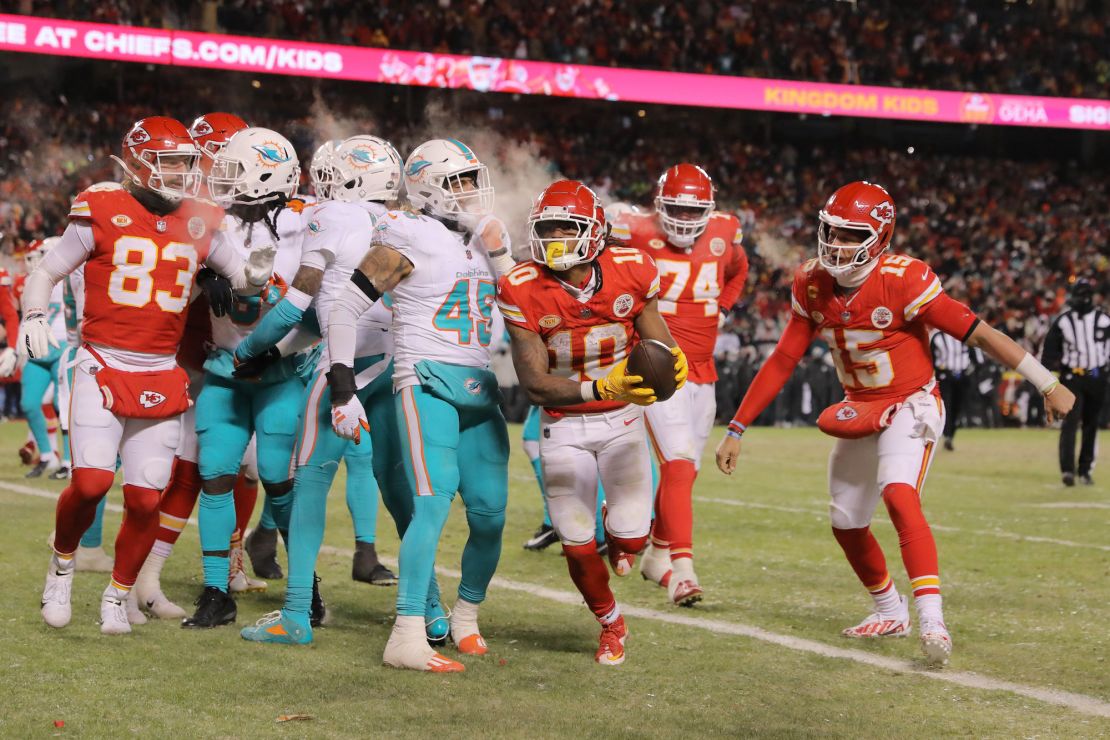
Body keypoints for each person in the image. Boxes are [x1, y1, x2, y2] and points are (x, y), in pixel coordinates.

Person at [715, 181, 1074, 667]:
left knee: (898, 493)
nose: (837, 244)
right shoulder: (812, 281)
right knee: (845, 520)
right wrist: (736, 428)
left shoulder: (904, 279)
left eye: (850, 234)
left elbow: (981, 334)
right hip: (860, 404)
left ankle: (932, 620)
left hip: (912, 402)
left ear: (879, 237)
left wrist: (1047, 383)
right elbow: (783, 358)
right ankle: (889, 609)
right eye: (832, 232)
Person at [27, 116, 275, 635]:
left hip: (162, 369)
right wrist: (31, 317)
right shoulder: (101, 204)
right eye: (171, 163)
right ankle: (62, 567)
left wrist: (264, 274)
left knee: (144, 498)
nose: (182, 173)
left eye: (186, 162)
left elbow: (244, 277)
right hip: (103, 361)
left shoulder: (203, 218)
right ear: (136, 164)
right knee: (92, 483)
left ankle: (119, 594)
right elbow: (48, 270)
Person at [324, 138, 510, 672]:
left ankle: (466, 616)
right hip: (423, 379)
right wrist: (343, 389)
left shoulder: (483, 237)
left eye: (474, 179)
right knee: (432, 501)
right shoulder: (409, 233)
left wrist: (501, 253)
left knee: (491, 513)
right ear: (429, 187)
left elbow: (523, 306)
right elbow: (343, 309)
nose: (473, 191)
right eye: (461, 181)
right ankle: (406, 633)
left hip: (479, 384)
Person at [498, 179, 687, 665]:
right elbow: (535, 384)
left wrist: (672, 360)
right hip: (563, 425)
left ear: (595, 231)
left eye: (568, 227)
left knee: (631, 535)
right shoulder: (520, 286)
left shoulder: (632, 268)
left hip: (622, 422)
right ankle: (610, 624)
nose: (556, 237)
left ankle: (623, 537)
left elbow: (657, 340)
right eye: (548, 227)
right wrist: (600, 388)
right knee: (577, 541)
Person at [183, 126, 319, 629]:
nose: (221, 182)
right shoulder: (213, 222)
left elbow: (320, 313)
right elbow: (178, 258)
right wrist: (206, 275)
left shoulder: (306, 226)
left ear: (266, 174)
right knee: (215, 476)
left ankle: (307, 591)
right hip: (224, 368)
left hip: (281, 372)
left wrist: (278, 347)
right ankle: (216, 591)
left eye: (233, 172)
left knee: (280, 482)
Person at [611, 163, 748, 606]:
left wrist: (723, 307)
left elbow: (740, 269)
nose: (685, 221)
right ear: (658, 204)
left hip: (704, 371)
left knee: (685, 473)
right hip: (659, 367)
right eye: (676, 210)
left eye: (695, 213)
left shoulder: (726, 230)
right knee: (680, 461)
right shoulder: (632, 230)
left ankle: (657, 553)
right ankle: (683, 570)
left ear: (710, 210)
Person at [1041, 278, 1109, 486]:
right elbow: (1049, 353)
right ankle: (1068, 471)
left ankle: (1085, 469)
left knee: (1091, 424)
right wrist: (1052, 377)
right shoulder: (1063, 322)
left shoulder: (1104, 321)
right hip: (1072, 377)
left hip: (1097, 376)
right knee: (1070, 423)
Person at [929, 329, 983, 451]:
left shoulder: (964, 336)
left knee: (957, 408)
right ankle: (947, 435)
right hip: (944, 377)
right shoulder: (937, 337)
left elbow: (977, 359)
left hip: (962, 377)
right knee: (946, 406)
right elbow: (929, 359)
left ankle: (950, 435)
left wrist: (970, 373)